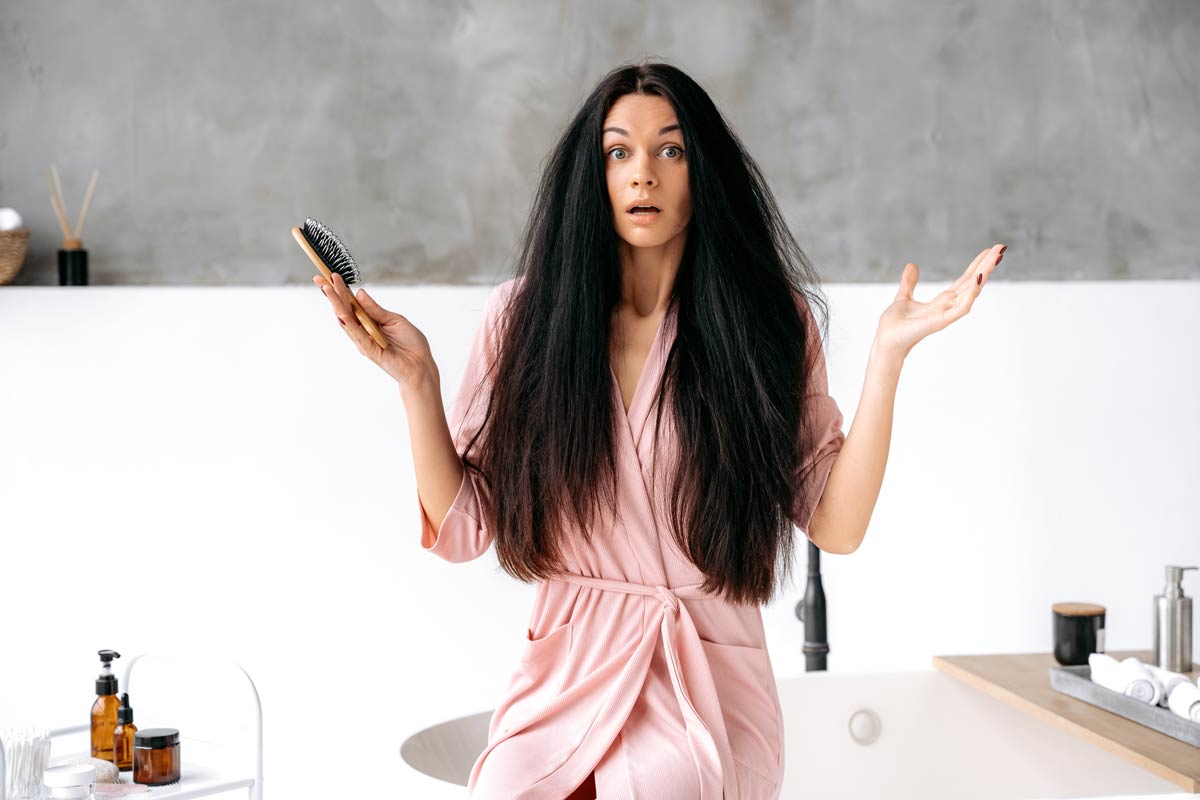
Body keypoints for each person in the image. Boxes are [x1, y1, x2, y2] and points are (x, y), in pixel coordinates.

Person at [314, 60, 1004, 800]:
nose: (643, 174)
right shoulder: (525, 319)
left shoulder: (767, 322)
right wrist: (419, 383)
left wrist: (887, 357)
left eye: (670, 151)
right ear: (594, 175)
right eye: (619, 153)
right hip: (567, 675)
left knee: (664, 787)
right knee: (505, 787)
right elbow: (465, 530)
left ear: (702, 171)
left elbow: (835, 525)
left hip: (701, 683)